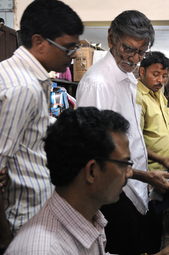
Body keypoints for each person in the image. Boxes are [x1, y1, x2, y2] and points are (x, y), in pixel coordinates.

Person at [4, 107, 169, 255]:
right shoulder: (45, 249)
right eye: (124, 164)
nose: (129, 173)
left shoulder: (88, 219)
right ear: (92, 171)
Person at [76, 11, 169, 254]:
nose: (134, 58)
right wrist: (144, 176)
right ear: (112, 38)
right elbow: (96, 154)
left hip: (132, 188)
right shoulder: (99, 84)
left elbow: (130, 138)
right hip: (114, 194)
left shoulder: (126, 79)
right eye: (129, 49)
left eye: (141, 52)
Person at [0, 0, 83, 252]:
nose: (75, 55)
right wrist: (5, 240)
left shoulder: (19, 76)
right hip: (24, 220)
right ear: (39, 42)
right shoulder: (23, 88)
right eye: (69, 48)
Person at [136, 51, 169, 171]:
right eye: (156, 74)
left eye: (164, 76)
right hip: (149, 169)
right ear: (142, 72)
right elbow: (135, 142)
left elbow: (164, 129)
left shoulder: (160, 96)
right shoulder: (137, 97)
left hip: (165, 166)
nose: (161, 80)